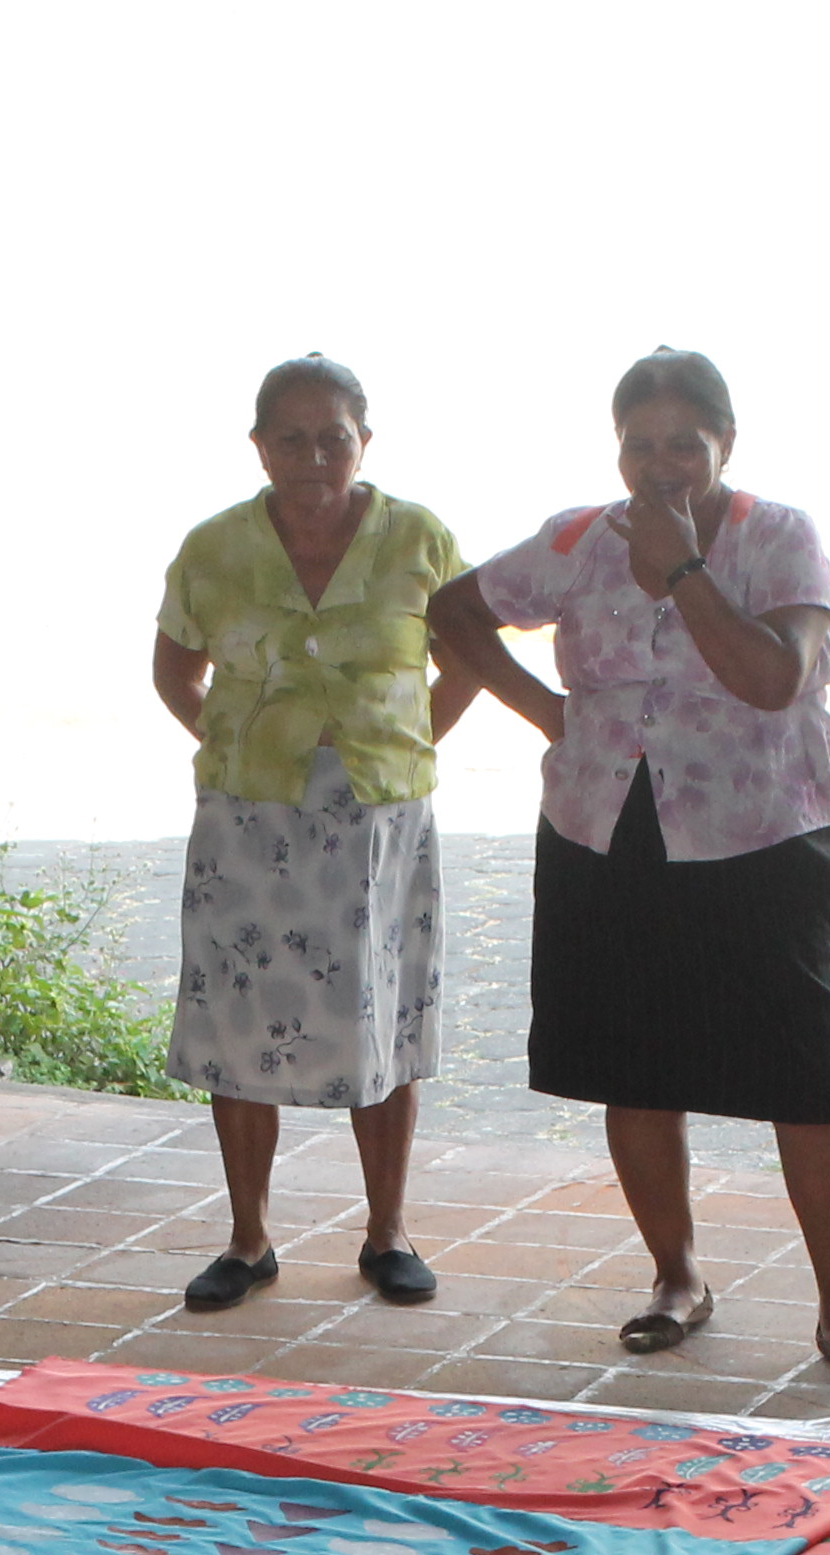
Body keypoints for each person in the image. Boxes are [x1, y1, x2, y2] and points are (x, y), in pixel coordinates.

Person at [426, 348, 830, 1387]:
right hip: (605, 830)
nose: (661, 462)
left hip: (764, 837)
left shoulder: (779, 537)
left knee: (806, 1082)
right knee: (633, 1072)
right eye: (640, 443)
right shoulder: (577, 538)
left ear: (727, 441)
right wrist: (547, 712)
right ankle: (676, 1278)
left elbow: (774, 678)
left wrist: (686, 569)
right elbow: (454, 610)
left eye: (685, 441)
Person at [150, 353, 475, 1309]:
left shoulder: (418, 538)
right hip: (248, 816)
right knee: (237, 1019)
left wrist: (405, 744)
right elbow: (173, 669)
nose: (314, 455)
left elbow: (468, 660)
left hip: (381, 816)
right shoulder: (214, 548)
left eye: (334, 435)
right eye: (291, 437)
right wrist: (241, 741)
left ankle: (388, 1232)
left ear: (364, 442)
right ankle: (248, 1238)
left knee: (383, 1012)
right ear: (259, 447)